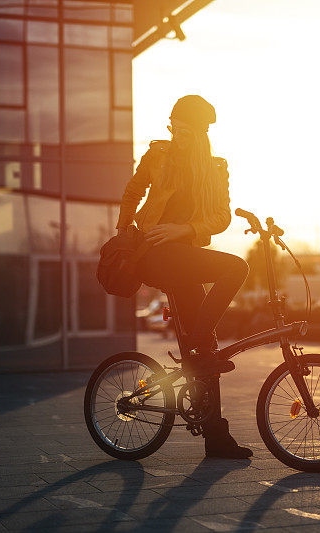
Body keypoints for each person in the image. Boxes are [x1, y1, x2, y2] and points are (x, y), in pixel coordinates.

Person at [114, 95, 252, 459]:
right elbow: (133, 192)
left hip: (182, 251)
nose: (181, 136)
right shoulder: (157, 155)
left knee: (204, 354)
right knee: (236, 268)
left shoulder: (215, 168)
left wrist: (183, 229)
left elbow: (221, 217)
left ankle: (216, 438)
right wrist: (125, 234)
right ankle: (199, 340)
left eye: (190, 130)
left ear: (205, 132)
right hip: (154, 255)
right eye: (176, 128)